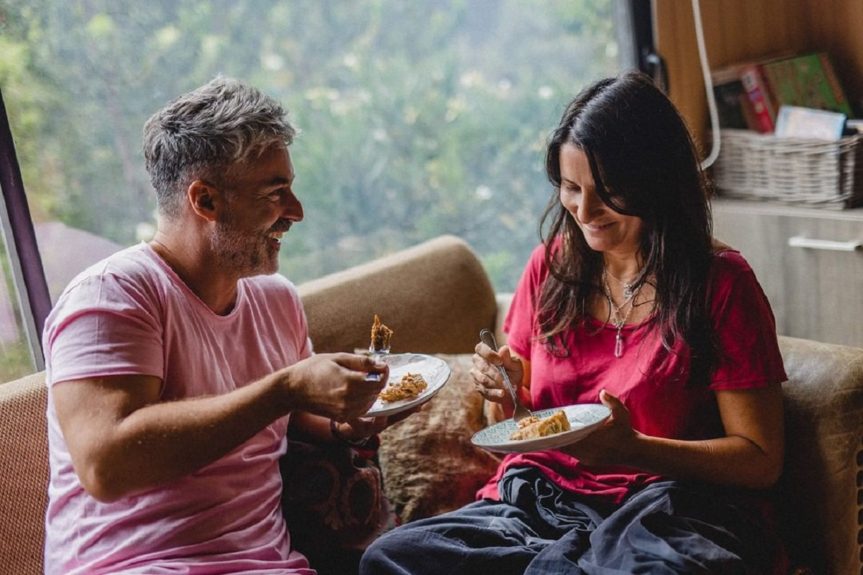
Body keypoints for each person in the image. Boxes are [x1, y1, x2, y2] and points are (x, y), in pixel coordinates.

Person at [360, 71, 788, 574]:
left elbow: (760, 460)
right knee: (392, 558)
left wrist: (637, 450)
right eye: (570, 187)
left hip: (666, 506)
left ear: (657, 181)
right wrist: (505, 395)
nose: (585, 210)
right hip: (540, 498)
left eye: (607, 191)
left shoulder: (720, 283)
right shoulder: (551, 268)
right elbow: (517, 431)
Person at [42, 77, 400, 574]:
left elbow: (288, 416)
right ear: (205, 201)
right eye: (274, 193)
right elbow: (106, 464)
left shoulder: (276, 299)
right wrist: (286, 388)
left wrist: (344, 420)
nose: (295, 212)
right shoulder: (111, 296)